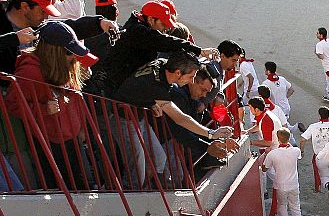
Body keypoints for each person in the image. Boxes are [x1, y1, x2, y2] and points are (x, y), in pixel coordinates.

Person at [6, 20, 99, 190]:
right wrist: (42, 109)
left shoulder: (65, 64)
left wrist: (81, 129)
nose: (74, 57)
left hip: (72, 137)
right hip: (50, 142)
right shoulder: (30, 72)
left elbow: (75, 98)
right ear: (54, 51)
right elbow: (12, 105)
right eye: (69, 52)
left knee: (85, 187)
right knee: (64, 190)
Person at [115, 54, 232, 186]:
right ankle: (128, 192)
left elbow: (138, 86)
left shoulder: (162, 65)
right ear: (178, 73)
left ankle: (136, 188)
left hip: (137, 116)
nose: (191, 81)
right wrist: (211, 133)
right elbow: (180, 119)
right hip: (121, 118)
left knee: (158, 159)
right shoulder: (159, 87)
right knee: (137, 165)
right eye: (190, 76)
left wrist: (151, 103)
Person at [262, 128, 304, 216]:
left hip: (280, 185)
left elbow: (264, 169)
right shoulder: (296, 151)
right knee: (295, 207)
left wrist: (264, 156)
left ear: (278, 139)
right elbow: (299, 156)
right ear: (289, 138)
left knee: (282, 206)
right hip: (294, 184)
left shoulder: (273, 154)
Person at [300, 106, 329, 193]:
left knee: (319, 172)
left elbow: (303, 139)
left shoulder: (313, 126)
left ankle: (318, 188)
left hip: (319, 156)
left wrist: (302, 151)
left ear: (319, 115)